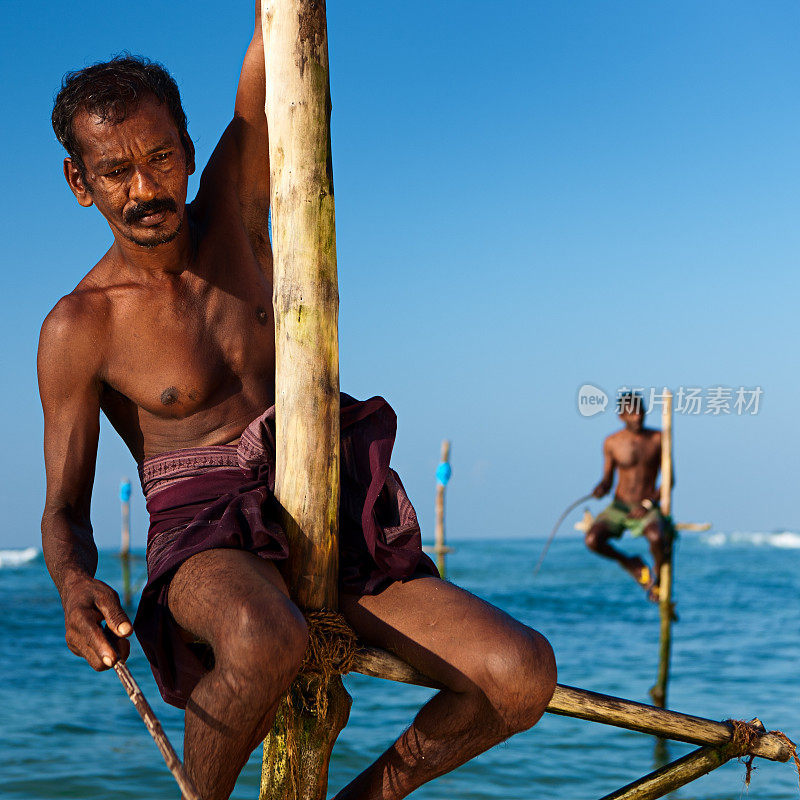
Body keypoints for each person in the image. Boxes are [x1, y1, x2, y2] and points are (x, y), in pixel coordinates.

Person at [37, 6, 556, 799]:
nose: (145, 188)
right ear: (80, 182)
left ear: (188, 148)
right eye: (115, 171)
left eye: (162, 157)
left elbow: (271, 58)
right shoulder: (82, 326)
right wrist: (76, 586)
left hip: (328, 509)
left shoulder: (238, 216)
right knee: (264, 634)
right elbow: (65, 507)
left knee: (520, 674)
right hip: (206, 540)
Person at [586, 391, 673, 601]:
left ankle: (658, 581)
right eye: (632, 413)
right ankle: (629, 562)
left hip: (647, 505)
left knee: (656, 536)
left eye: (641, 411)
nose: (638, 417)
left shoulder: (658, 439)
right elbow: (607, 478)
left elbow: (669, 480)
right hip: (620, 505)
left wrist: (648, 503)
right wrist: (601, 487)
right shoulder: (612, 442)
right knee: (592, 539)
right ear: (621, 416)